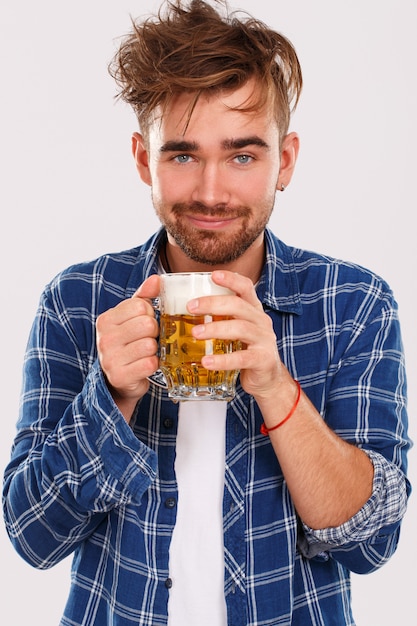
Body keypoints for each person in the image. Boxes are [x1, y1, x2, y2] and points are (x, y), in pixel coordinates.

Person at [2, 1, 411, 624]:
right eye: (183, 155)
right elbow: (33, 537)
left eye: (243, 156)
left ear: (287, 161)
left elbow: (370, 543)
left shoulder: (353, 302)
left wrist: (274, 386)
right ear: (145, 159)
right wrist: (109, 394)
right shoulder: (78, 300)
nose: (212, 192)